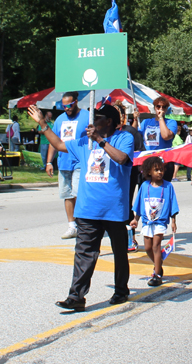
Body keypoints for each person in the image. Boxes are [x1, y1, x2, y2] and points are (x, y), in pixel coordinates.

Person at [28, 103, 135, 311]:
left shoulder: (124, 138)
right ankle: (76, 297)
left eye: (96, 119)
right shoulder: (84, 143)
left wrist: (100, 140)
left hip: (114, 209)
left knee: (119, 252)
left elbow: (122, 159)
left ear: (108, 121)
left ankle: (121, 290)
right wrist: (42, 123)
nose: (91, 123)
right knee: (84, 253)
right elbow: (59, 145)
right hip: (87, 210)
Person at [47, 92, 90, 239]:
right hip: (64, 162)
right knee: (67, 195)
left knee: (79, 193)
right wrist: (48, 162)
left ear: (76, 102)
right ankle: (72, 226)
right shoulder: (60, 119)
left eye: (69, 105)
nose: (66, 108)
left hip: (80, 161)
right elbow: (54, 142)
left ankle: (83, 224)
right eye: (64, 106)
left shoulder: (86, 117)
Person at [130, 156, 179, 287]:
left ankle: (157, 275)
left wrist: (173, 221)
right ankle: (159, 265)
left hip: (160, 222)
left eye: (161, 170)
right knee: (147, 247)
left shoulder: (168, 186)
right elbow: (139, 205)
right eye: (156, 170)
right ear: (149, 172)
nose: (160, 172)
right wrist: (135, 219)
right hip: (147, 222)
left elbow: (173, 204)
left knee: (156, 246)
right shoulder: (145, 186)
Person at [112, 100, 145, 252]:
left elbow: (140, 153)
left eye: (118, 113)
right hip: (111, 175)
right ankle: (117, 237)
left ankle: (131, 238)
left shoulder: (130, 132)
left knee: (126, 204)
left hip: (130, 173)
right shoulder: (107, 132)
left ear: (123, 116)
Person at [133, 96, 178, 181]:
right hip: (148, 159)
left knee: (162, 187)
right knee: (146, 186)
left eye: (164, 107)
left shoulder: (171, 122)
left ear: (166, 109)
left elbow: (166, 136)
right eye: (158, 106)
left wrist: (161, 118)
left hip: (164, 161)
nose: (160, 109)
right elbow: (134, 135)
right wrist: (135, 119)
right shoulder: (146, 122)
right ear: (154, 107)